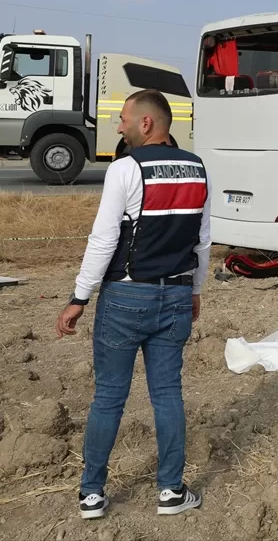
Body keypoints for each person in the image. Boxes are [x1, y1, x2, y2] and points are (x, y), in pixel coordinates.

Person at [55, 89, 209, 521]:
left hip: (126, 295)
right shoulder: (198, 168)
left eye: (123, 119)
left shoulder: (125, 169)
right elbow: (203, 239)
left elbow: (104, 239)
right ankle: (171, 491)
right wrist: (194, 290)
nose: (118, 127)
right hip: (176, 294)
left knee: (108, 397)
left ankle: (92, 495)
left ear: (146, 123)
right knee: (167, 394)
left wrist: (78, 298)